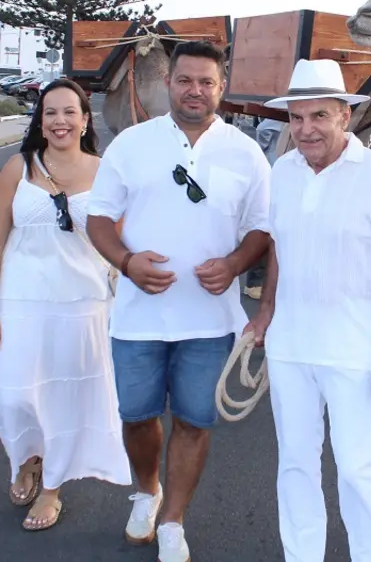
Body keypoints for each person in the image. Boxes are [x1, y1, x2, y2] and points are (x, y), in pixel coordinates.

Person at [85, 40, 271, 562]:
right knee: (138, 415)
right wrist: (125, 262)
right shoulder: (131, 145)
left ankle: (173, 521)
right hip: (138, 317)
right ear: (168, 83)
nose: (196, 91)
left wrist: (235, 264)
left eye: (206, 82)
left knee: (194, 420)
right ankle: (147, 492)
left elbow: (262, 228)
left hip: (210, 320)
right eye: (186, 80)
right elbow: (98, 218)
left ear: (221, 87)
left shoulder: (246, 151)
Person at [244, 58, 371, 562]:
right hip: (291, 347)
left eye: (319, 116)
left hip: (357, 350)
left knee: (355, 468)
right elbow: (280, 246)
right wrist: (267, 313)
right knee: (296, 465)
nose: (306, 129)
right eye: (297, 118)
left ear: (345, 115)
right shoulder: (283, 171)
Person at [0, 79, 132, 532]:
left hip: (82, 304)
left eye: (70, 112)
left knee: (66, 397)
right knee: (15, 395)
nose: (60, 121)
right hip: (21, 299)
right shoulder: (17, 169)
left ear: (86, 120)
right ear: (40, 121)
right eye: (50, 113)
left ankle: (52, 487)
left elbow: (121, 242)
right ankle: (28, 457)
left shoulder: (107, 173)